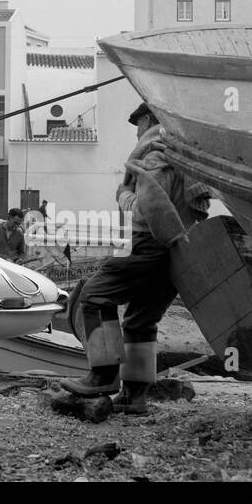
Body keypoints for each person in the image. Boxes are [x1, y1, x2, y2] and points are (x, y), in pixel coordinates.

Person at [58, 102, 209, 415]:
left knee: (95, 296)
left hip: (148, 242)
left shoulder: (155, 153)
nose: (137, 132)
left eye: (138, 124)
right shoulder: (188, 157)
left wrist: (122, 195)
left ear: (149, 119)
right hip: (181, 248)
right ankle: (135, 396)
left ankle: (102, 376)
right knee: (142, 320)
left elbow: (146, 210)